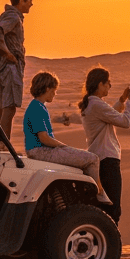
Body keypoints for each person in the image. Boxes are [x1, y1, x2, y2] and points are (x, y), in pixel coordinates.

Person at [79, 66, 130, 259]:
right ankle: (109, 258)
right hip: (107, 161)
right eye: (108, 82)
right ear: (100, 84)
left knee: (106, 209)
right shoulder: (96, 105)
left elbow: (110, 115)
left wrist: (121, 101)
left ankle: (103, 256)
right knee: (113, 210)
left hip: (101, 159)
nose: (110, 86)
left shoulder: (93, 104)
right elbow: (124, 122)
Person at [23, 71, 111, 204]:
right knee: (92, 159)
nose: (55, 93)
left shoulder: (37, 106)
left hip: (42, 150)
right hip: (41, 151)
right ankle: (98, 193)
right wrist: (62, 146)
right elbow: (43, 138)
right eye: (54, 90)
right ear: (47, 89)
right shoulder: (37, 108)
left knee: (81, 157)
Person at [0, 0, 33, 144]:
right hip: (10, 69)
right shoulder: (13, 17)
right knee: (9, 107)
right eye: (29, 0)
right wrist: (6, 53)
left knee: (4, 108)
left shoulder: (6, 16)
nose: (31, 4)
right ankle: (3, 145)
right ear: (21, 0)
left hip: (4, 68)